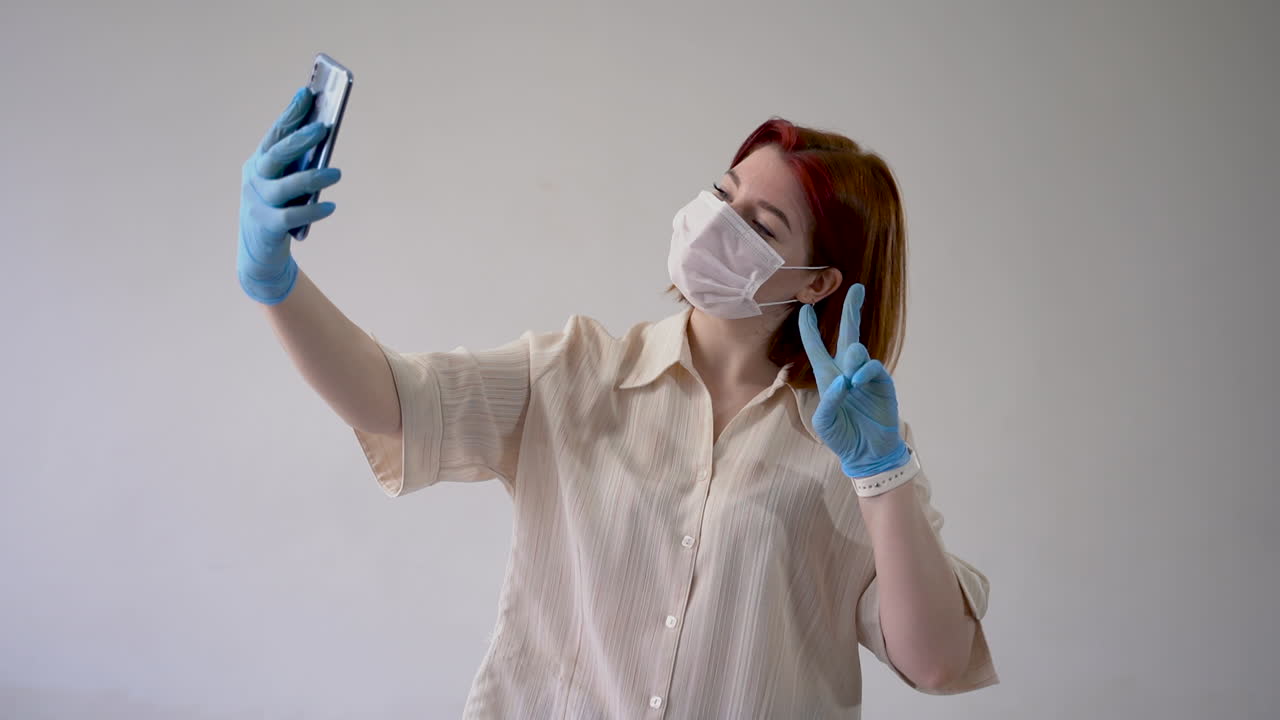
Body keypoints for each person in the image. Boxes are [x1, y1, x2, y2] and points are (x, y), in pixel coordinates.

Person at [239, 87, 1000, 719]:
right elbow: (392, 401)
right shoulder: (577, 371)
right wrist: (274, 281)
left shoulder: (853, 442)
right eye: (722, 193)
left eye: (760, 225)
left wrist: (881, 473)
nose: (716, 223)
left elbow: (935, 663)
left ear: (816, 282)